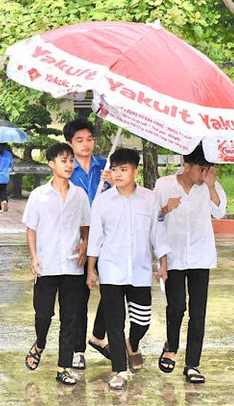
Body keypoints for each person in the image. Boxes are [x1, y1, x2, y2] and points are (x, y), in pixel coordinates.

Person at [86, 148, 170, 390]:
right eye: (115, 169)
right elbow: (96, 238)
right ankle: (119, 370)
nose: (118, 174)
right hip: (111, 269)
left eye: (124, 169)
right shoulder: (102, 201)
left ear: (135, 171)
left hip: (140, 269)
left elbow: (158, 233)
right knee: (114, 321)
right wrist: (91, 269)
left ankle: (132, 343)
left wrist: (162, 264)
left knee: (142, 321)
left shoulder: (149, 198)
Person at [154, 145, 225, 384]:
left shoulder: (209, 185)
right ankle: (171, 345)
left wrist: (212, 185)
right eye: (201, 168)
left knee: (198, 312)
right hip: (173, 256)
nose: (204, 173)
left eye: (208, 168)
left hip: (201, 256)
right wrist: (166, 208)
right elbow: (154, 219)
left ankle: (193, 363)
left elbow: (220, 212)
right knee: (176, 306)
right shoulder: (164, 185)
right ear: (186, 166)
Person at [22, 143, 90, 386]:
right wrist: (34, 257)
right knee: (43, 314)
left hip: (72, 266)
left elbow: (85, 227)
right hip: (47, 265)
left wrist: (85, 244)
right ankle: (40, 343)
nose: (69, 165)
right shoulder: (39, 196)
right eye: (64, 161)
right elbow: (31, 229)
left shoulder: (79, 195)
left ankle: (63, 366)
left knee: (70, 318)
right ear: (51, 163)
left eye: (71, 161)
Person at [63, 118, 113, 370]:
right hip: (78, 238)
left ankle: (98, 334)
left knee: (113, 289)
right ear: (70, 144)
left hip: (106, 237)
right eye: (79, 140)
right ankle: (77, 349)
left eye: (90, 139)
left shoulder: (107, 166)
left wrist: (113, 181)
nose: (86, 144)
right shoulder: (67, 170)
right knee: (78, 296)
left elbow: (127, 191)